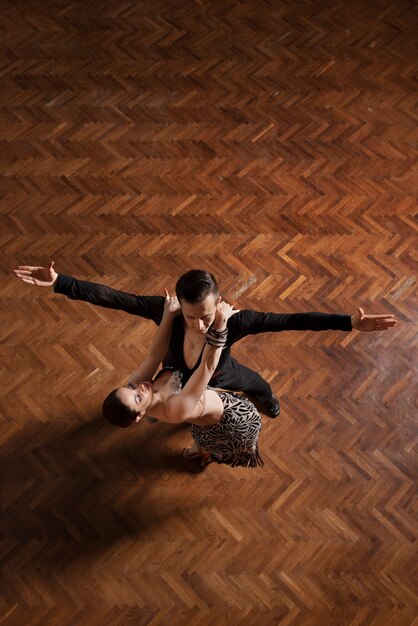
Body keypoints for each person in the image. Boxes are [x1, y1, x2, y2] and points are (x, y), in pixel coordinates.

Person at [13, 261, 397, 418]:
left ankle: (268, 404)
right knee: (179, 405)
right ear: (180, 305)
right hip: (183, 383)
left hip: (225, 375)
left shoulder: (238, 321)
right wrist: (63, 283)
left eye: (206, 316)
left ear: (218, 303)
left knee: (260, 386)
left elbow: (291, 320)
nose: (199, 325)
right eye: (191, 316)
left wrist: (349, 323)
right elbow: (116, 298)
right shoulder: (169, 312)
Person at [103, 291, 263, 468]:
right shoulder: (173, 409)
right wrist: (220, 325)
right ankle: (203, 453)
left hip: (205, 408)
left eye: (130, 387)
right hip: (235, 421)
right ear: (140, 414)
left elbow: (154, 355)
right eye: (137, 398)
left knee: (199, 426)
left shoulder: (140, 388)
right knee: (209, 442)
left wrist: (168, 315)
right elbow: (207, 368)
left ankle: (199, 445)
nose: (139, 387)